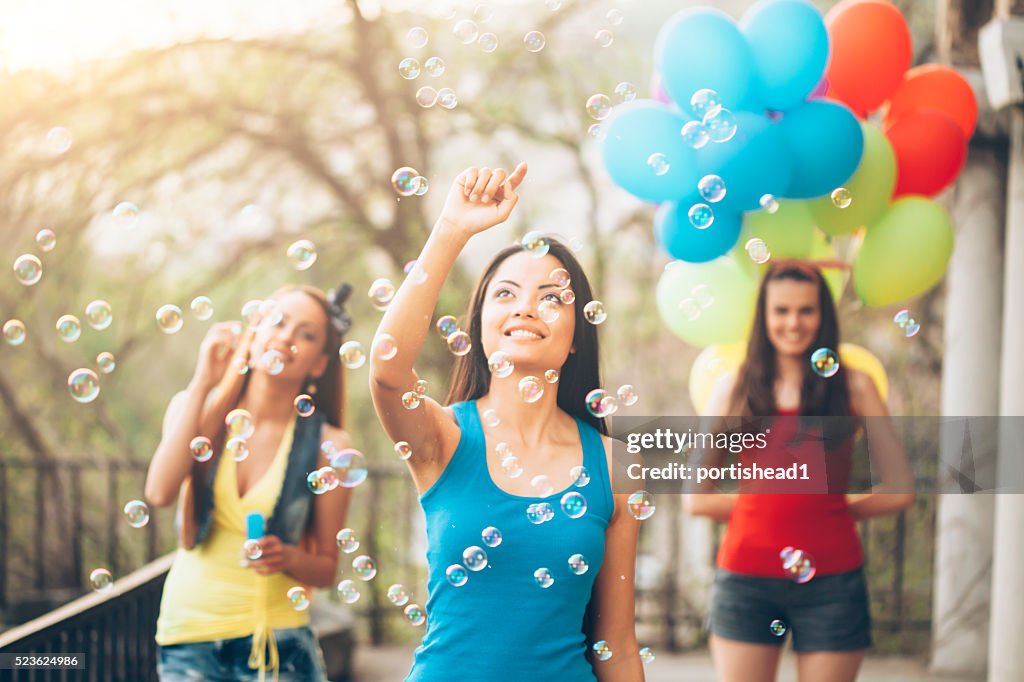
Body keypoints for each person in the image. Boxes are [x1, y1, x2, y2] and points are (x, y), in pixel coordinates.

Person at [369, 163, 645, 681]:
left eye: (552, 297)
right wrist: (452, 229)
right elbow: (387, 369)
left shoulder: (614, 464)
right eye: (506, 293)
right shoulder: (443, 440)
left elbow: (618, 645)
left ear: (577, 334)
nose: (526, 308)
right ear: (478, 328)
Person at [688, 262, 915, 682]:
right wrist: (769, 505)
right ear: (765, 316)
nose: (793, 323)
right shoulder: (732, 389)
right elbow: (695, 498)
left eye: (806, 311)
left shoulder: (856, 386)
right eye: (782, 311)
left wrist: (830, 508)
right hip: (745, 582)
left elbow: (900, 490)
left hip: (834, 583)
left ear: (823, 316)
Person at [144, 284, 355, 682]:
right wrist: (203, 382)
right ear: (254, 332)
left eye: (306, 334)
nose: (287, 337)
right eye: (277, 321)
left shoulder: (329, 446)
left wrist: (288, 557)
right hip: (189, 635)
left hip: (279, 643)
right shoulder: (195, 409)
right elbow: (158, 492)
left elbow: (326, 569)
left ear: (318, 364)